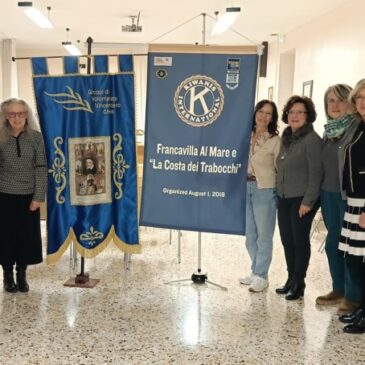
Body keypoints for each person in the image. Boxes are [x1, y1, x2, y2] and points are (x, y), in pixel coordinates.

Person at [316, 84, 362, 315]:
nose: (335, 105)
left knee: (350, 248)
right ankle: (339, 289)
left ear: (350, 103)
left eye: (340, 100)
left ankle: (353, 296)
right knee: (333, 244)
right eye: (330, 101)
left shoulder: (356, 128)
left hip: (348, 196)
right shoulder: (328, 131)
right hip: (328, 194)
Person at [275, 95, 322, 300]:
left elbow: (316, 173)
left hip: (302, 199)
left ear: (308, 115)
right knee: (287, 240)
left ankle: (299, 283)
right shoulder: (287, 138)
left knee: (299, 241)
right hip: (284, 197)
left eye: (300, 112)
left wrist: (308, 201)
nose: (295, 116)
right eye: (291, 112)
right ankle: (290, 278)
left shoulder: (311, 139)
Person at [0, 98, 47, 293]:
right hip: (4, 195)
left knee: (26, 237)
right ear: (5, 116)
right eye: (12, 114)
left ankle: (22, 273)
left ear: (26, 115)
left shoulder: (36, 138)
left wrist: (38, 197)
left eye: (21, 113)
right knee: (5, 237)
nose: (17, 118)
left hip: (29, 197)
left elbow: (41, 167)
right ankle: (7, 275)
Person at [239, 100, 280, 292]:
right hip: (244, 188)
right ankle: (256, 270)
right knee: (249, 236)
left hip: (264, 189)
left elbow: (280, 169)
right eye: (261, 112)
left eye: (269, 113)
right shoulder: (245, 135)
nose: (264, 116)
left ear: (273, 118)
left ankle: (262, 275)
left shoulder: (274, 140)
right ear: (255, 113)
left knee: (264, 236)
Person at [338, 79, 365, 334]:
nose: (363, 103)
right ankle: (362, 308)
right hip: (355, 200)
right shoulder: (360, 127)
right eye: (360, 98)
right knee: (356, 258)